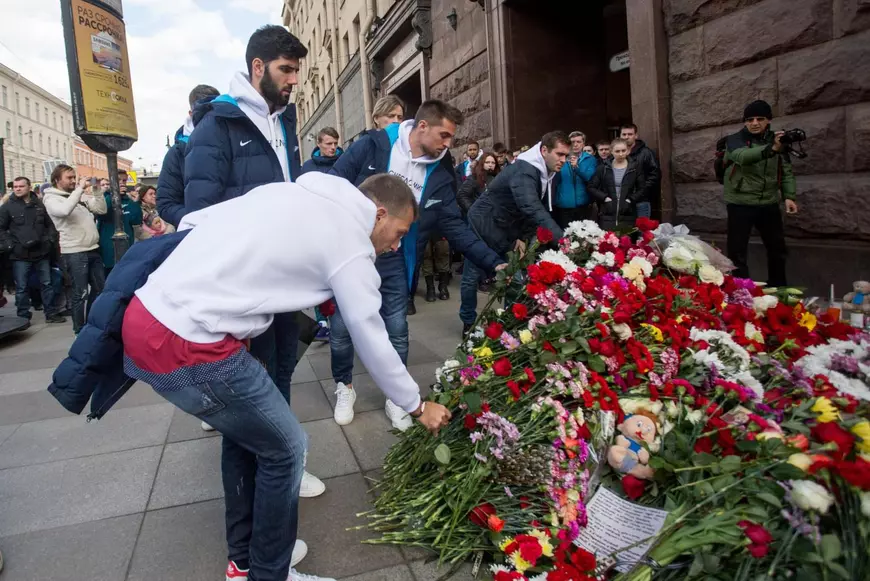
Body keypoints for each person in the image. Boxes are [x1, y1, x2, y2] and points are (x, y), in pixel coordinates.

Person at [53, 172, 452, 581]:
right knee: (287, 448)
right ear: (378, 213)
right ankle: (269, 573)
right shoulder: (351, 242)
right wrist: (416, 404)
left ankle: (245, 562)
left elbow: (195, 223)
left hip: (145, 317)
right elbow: (369, 331)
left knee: (247, 438)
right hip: (190, 341)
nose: (397, 243)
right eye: (399, 231)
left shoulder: (290, 191)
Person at [181, 27, 318, 490]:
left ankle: (283, 464)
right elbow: (200, 214)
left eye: (296, 70)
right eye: (286, 69)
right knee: (249, 392)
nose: (293, 79)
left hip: (281, 277)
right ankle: (261, 486)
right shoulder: (218, 125)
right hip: (244, 285)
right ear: (257, 67)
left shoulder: (283, 120)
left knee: (280, 371)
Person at [327, 100, 505, 430]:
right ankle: (345, 386)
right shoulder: (374, 144)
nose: (448, 143)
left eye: (452, 138)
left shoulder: (441, 167)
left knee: (397, 327)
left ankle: (399, 399)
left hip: (396, 256)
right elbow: (333, 185)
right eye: (444, 135)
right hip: (352, 255)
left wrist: (494, 264)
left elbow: (453, 222)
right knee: (340, 328)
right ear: (422, 126)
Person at [460, 132, 568, 333]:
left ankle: (509, 324)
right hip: (483, 226)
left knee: (513, 279)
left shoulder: (542, 171)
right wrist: (563, 240)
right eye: (560, 154)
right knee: (472, 276)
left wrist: (522, 236)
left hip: (505, 230)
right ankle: (469, 321)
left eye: (566, 156)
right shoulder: (525, 171)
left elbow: (527, 210)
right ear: (544, 151)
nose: (564, 160)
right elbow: (531, 207)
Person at [723, 100, 797, 287]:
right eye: (750, 119)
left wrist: (789, 196)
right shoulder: (734, 140)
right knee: (737, 252)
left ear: (769, 120)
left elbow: (785, 170)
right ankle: (741, 290)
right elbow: (742, 157)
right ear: (745, 122)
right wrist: (770, 149)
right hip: (740, 201)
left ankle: (779, 288)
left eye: (760, 119)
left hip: (768, 202)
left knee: (777, 249)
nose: (754, 123)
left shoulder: (778, 141)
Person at [42, 164, 107, 334]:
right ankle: (79, 329)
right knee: (80, 293)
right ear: (57, 180)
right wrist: (79, 189)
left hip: (93, 249)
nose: (73, 180)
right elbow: (64, 211)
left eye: (74, 177)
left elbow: (101, 209)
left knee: (100, 289)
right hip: (75, 252)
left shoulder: (77, 196)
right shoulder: (51, 199)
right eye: (68, 178)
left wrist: (96, 190)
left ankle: (91, 323)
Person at [0, 176, 65, 325]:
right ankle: (23, 317)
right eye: (15, 187)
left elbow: (50, 226)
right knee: (22, 287)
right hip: (19, 254)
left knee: (47, 284)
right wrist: (10, 245)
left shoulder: (39, 205)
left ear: (29, 187)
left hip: (41, 252)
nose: (17, 189)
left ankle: (51, 313)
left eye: (21, 186)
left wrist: (49, 241)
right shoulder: (7, 207)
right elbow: (1, 229)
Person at [157, 84, 221, 229]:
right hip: (194, 235)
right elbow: (166, 204)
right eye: (203, 112)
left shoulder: (233, 140)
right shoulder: (177, 153)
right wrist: (197, 221)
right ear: (191, 113)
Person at [301, 127, 343, 342]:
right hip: (317, 225)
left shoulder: (345, 162)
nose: (333, 148)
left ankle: (344, 317)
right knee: (319, 276)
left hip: (342, 226)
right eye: (328, 144)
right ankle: (322, 321)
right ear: (318, 144)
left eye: (335, 143)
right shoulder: (308, 167)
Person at [588, 138, 645, 231]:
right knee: (608, 242)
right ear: (611, 152)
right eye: (617, 151)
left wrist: (630, 200)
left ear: (628, 151)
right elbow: (591, 187)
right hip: (607, 212)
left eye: (623, 150)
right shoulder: (603, 168)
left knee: (626, 242)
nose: (621, 154)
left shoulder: (635, 168)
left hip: (627, 212)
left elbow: (642, 189)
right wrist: (605, 198)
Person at [97, 175, 143, 276]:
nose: (122, 183)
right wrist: (114, 194)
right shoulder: (104, 198)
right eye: (119, 180)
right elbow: (101, 214)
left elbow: (136, 221)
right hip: (109, 248)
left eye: (124, 180)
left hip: (127, 246)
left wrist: (135, 203)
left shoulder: (128, 200)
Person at [553, 131, 597, 229]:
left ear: (583, 144)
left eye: (578, 142)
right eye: (572, 142)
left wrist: (577, 168)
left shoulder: (590, 159)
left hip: (583, 205)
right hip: (564, 205)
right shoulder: (560, 158)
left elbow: (590, 178)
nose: (575, 144)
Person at [620, 123, 660, 218]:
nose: (626, 137)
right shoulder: (616, 153)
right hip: (621, 201)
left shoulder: (646, 152)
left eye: (630, 134)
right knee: (623, 231)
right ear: (620, 136)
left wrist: (641, 191)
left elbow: (655, 175)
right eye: (624, 134)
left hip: (641, 201)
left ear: (636, 136)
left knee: (642, 231)